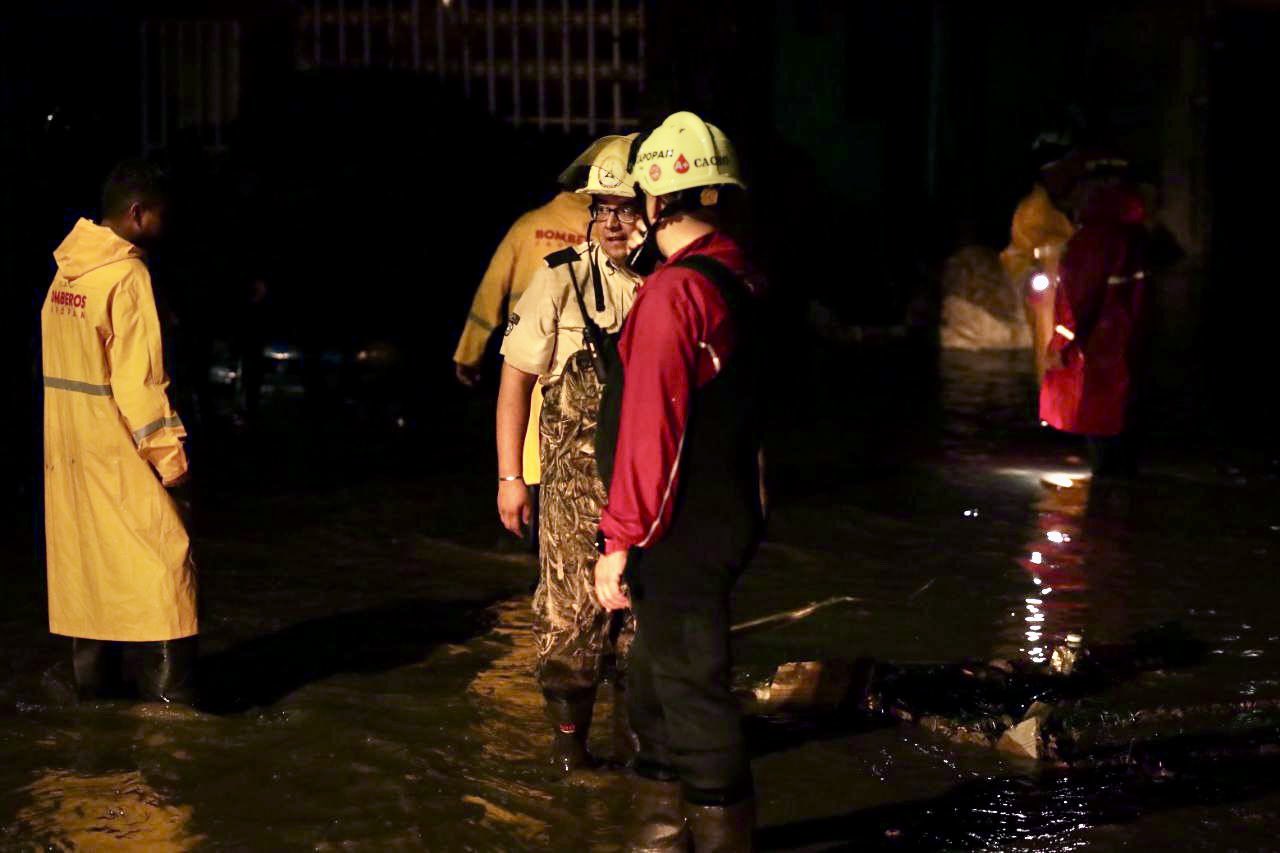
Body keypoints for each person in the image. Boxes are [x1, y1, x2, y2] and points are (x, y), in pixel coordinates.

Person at [593, 111, 763, 851]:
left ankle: (720, 834)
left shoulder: (673, 296)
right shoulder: (738, 273)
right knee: (656, 688)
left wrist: (619, 539)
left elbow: (650, 432)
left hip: (679, 525)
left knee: (691, 693)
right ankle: (658, 834)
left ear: (656, 202)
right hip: (725, 510)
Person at [496, 135, 645, 773]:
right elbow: (514, 388)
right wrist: (511, 478)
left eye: (627, 207)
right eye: (602, 208)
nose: (614, 222)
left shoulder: (668, 284)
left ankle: (647, 754)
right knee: (569, 619)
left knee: (644, 626)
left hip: (646, 488)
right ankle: (571, 759)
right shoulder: (560, 282)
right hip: (571, 489)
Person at [41, 160, 197, 704]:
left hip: (67, 454)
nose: (167, 226)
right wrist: (172, 464)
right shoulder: (128, 276)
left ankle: (97, 716)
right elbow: (140, 384)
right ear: (137, 214)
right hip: (118, 449)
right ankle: (173, 717)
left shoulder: (67, 271)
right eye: (161, 215)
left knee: (89, 574)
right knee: (168, 569)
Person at [453, 188, 592, 548]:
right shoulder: (607, 228)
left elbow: (490, 290)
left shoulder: (529, 226)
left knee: (525, 452)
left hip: (527, 363)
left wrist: (468, 352)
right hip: (582, 376)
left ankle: (531, 540)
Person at [1040, 176, 1149, 478]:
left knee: (1095, 414)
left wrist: (1060, 344)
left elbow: (1080, 297)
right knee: (1120, 415)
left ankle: (1105, 494)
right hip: (1126, 339)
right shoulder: (1134, 237)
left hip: (1098, 343)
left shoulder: (1092, 240)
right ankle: (1122, 494)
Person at [1000, 133, 1078, 380]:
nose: (1057, 175)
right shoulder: (1030, 212)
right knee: (1052, 372)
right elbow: (1014, 259)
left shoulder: (1085, 206)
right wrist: (1030, 280)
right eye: (1050, 169)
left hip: (1084, 305)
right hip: (1050, 306)